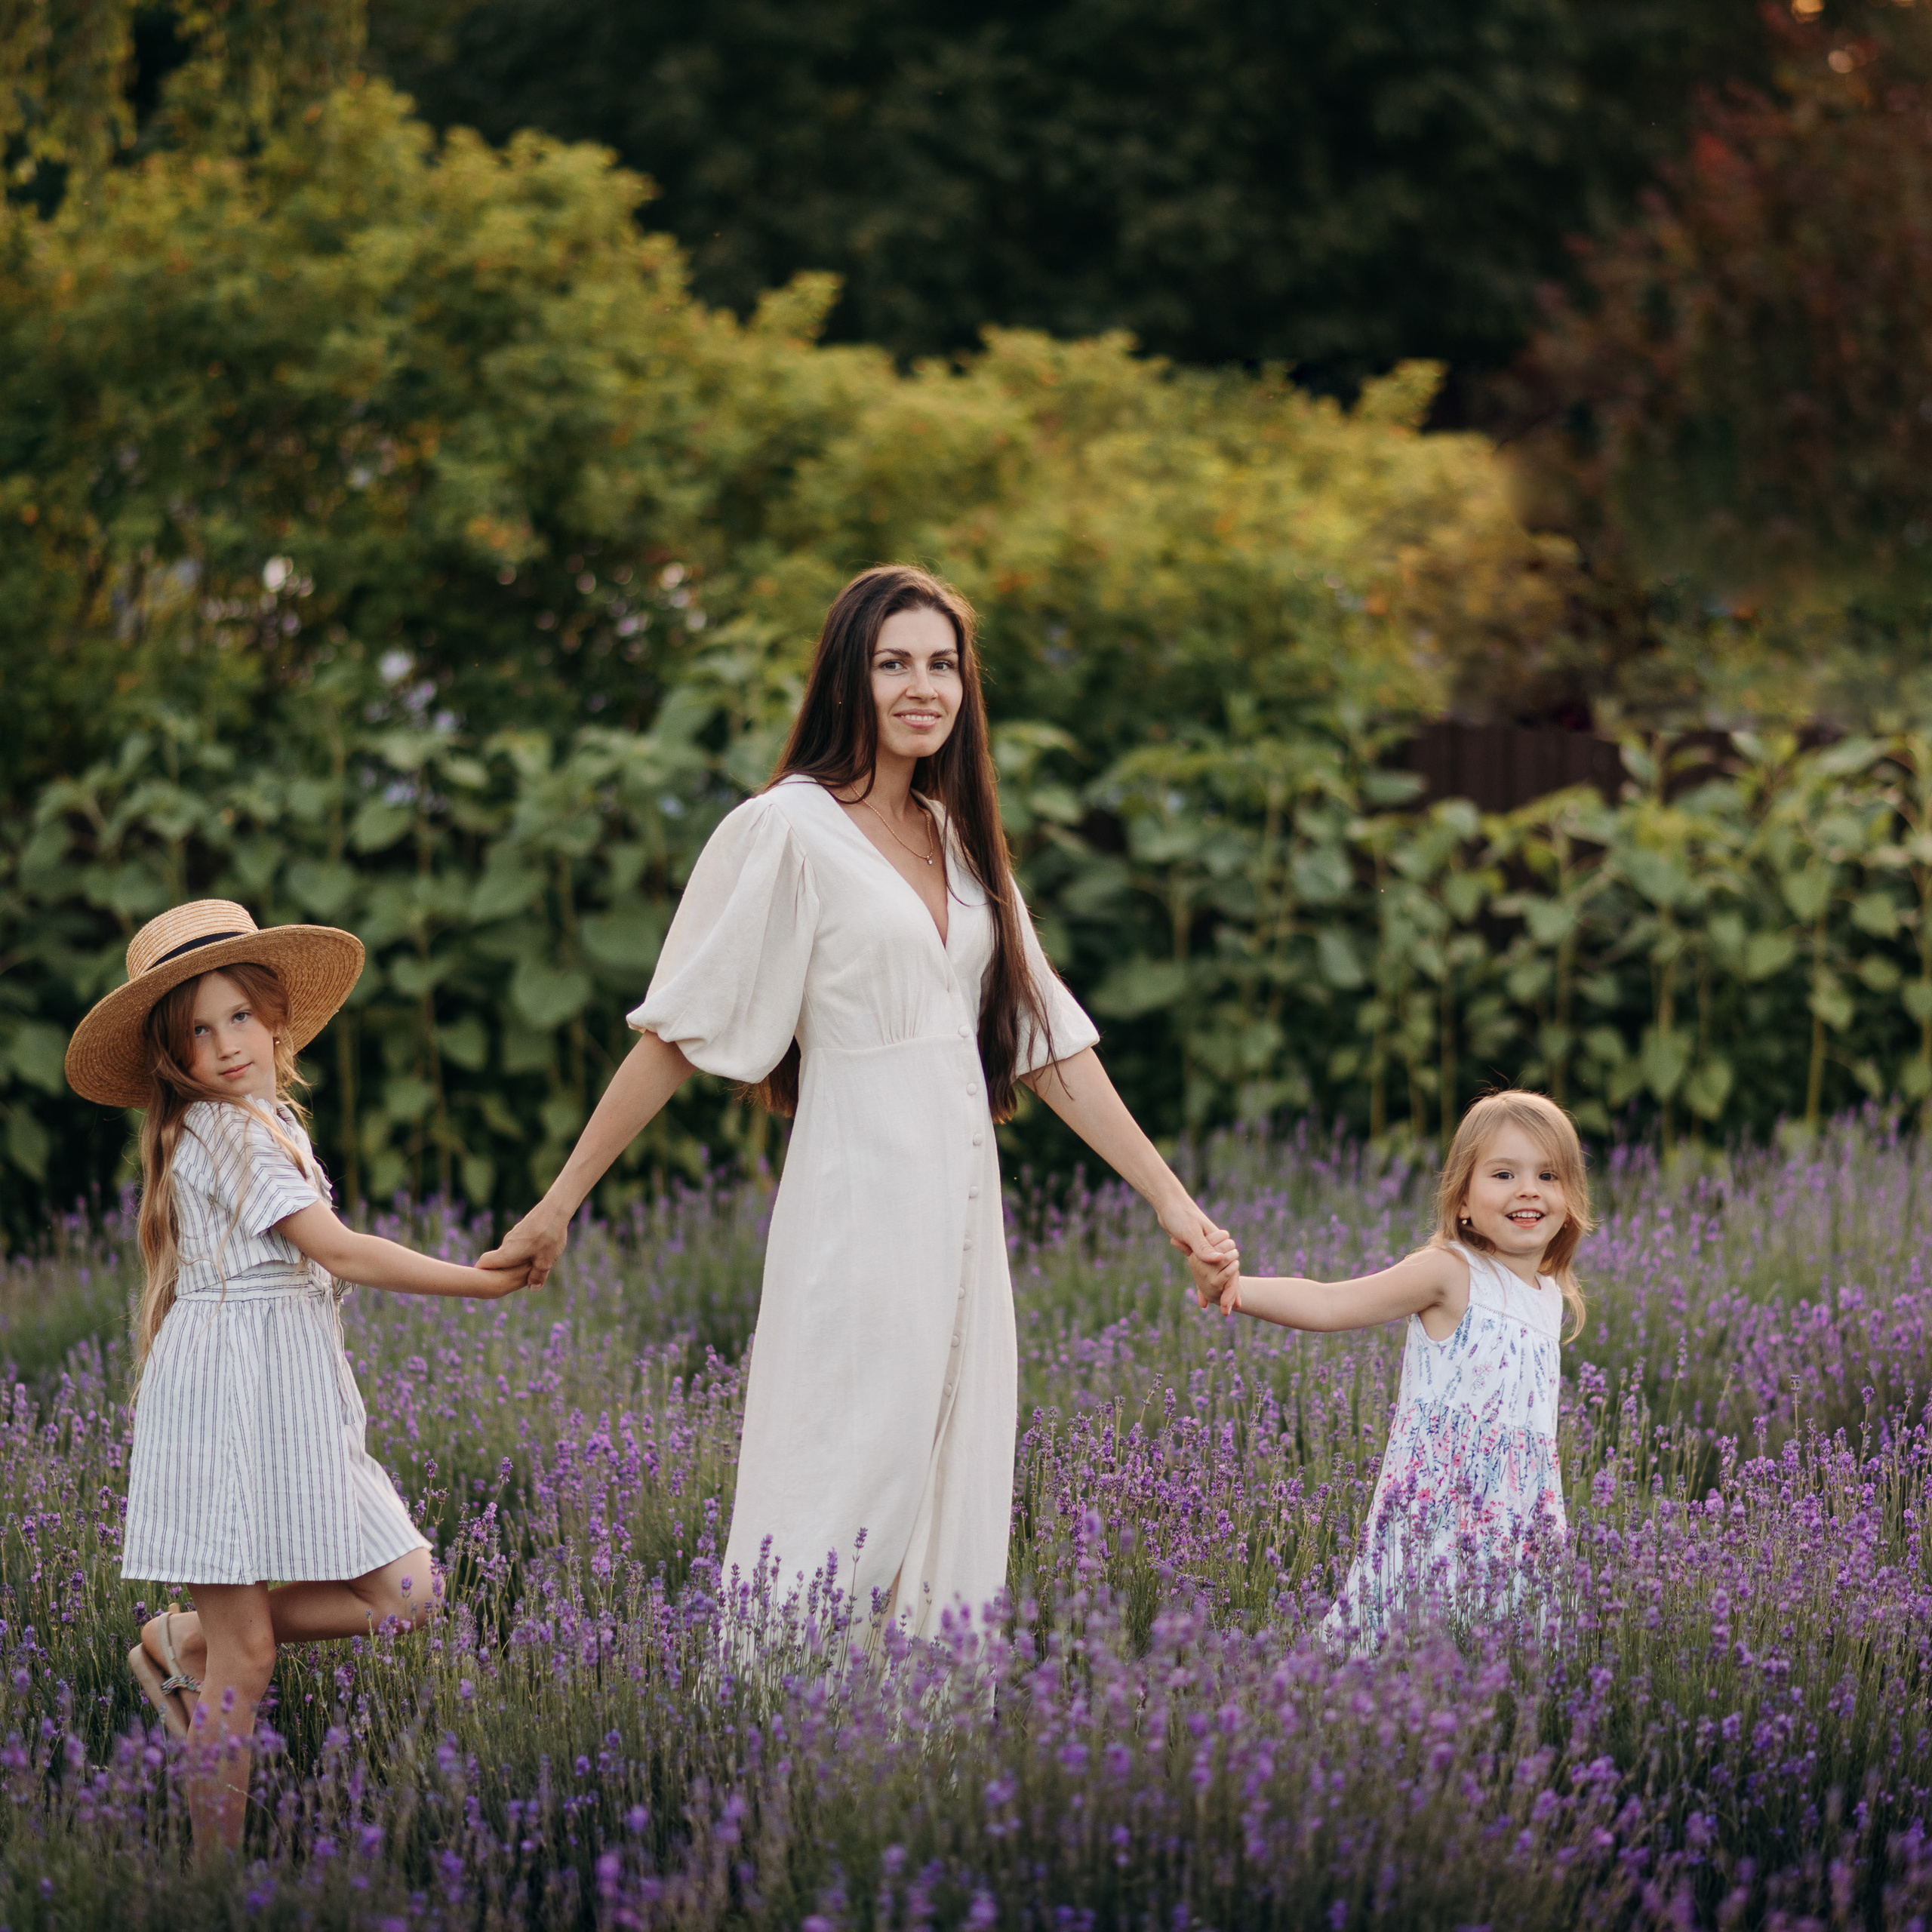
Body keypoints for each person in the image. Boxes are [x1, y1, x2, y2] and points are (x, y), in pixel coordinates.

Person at [481, 563, 1234, 1641]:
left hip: (964, 1217)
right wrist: (559, 1202)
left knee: (951, 1481)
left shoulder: (962, 841)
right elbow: (679, 1033)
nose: (922, 687)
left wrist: (1174, 1204)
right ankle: (767, 1740)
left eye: (942, 665)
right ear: (849, 678)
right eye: (894, 664)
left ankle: (910, 1773)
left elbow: (1048, 1045)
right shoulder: (785, 830)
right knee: (842, 1480)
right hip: (857, 1204)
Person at [64, 900, 527, 1857]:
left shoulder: (262, 1120)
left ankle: (175, 1640)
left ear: (275, 1016)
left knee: (403, 1591)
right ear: (173, 1059)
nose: (226, 1044)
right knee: (250, 1655)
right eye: (197, 1031)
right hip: (231, 1397)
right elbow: (341, 1252)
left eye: (238, 1015)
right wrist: (478, 1282)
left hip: (288, 1394)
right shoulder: (222, 1134)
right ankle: (214, 1875)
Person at [1189, 1089, 1590, 1645]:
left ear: (1571, 1197)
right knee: (1405, 1646)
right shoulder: (1450, 1273)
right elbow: (1331, 1303)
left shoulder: (1550, 1296)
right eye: (1503, 1174)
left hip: (1520, 1520)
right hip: (1437, 1514)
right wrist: (1237, 1288)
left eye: (1549, 1175)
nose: (1529, 1189)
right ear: (1463, 1202)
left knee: (1507, 1664)